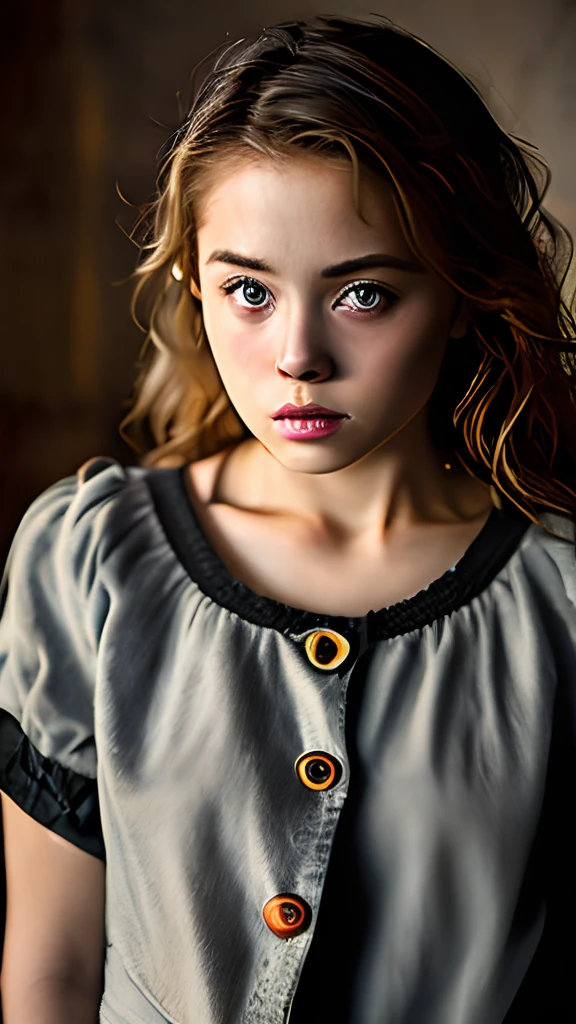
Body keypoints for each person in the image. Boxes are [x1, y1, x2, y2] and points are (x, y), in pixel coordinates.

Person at [1, 12, 575, 1023]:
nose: (297, 354)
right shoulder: (90, 560)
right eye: (249, 291)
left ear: (459, 294)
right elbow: (49, 969)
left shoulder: (559, 598)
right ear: (194, 284)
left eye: (361, 291)